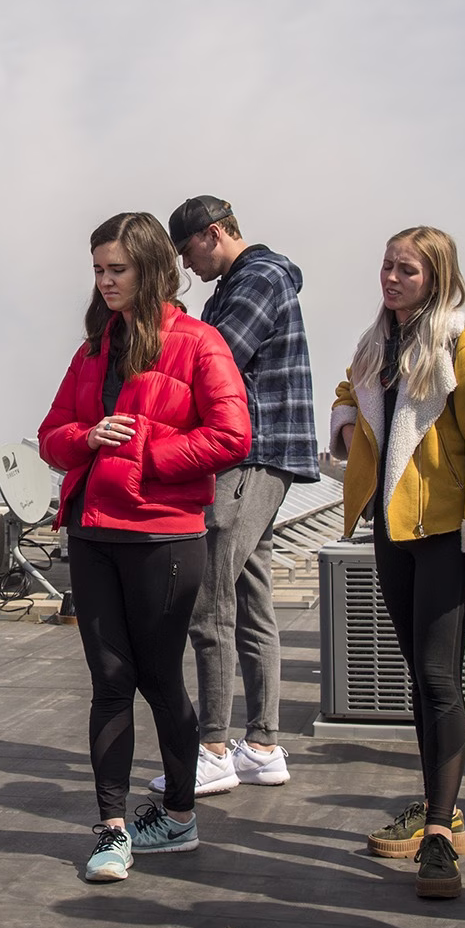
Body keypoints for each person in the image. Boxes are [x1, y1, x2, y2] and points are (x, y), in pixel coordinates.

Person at [39, 212, 251, 883]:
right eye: (98, 270)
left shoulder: (200, 343)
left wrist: (143, 455)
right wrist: (86, 437)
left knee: (159, 679)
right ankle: (112, 829)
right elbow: (50, 436)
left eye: (118, 269)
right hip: (92, 532)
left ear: (152, 268)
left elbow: (232, 436)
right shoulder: (92, 350)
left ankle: (180, 816)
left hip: (165, 535)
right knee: (109, 682)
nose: (105, 282)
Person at [329, 227, 465, 900]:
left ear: (437, 276)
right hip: (392, 527)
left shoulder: (464, 345)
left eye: (406, 269)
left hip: (444, 531)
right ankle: (442, 805)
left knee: (439, 678)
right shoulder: (376, 344)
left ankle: (439, 831)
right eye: (386, 265)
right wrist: (346, 422)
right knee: (421, 678)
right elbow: (350, 392)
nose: (391, 277)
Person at [155, 195, 317, 798]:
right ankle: (263, 747)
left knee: (210, 599)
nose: (186, 264)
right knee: (250, 598)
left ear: (214, 233)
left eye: (187, 250)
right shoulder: (237, 284)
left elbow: (211, 358)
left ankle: (214, 748)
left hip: (250, 454)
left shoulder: (258, 278)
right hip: (259, 455)